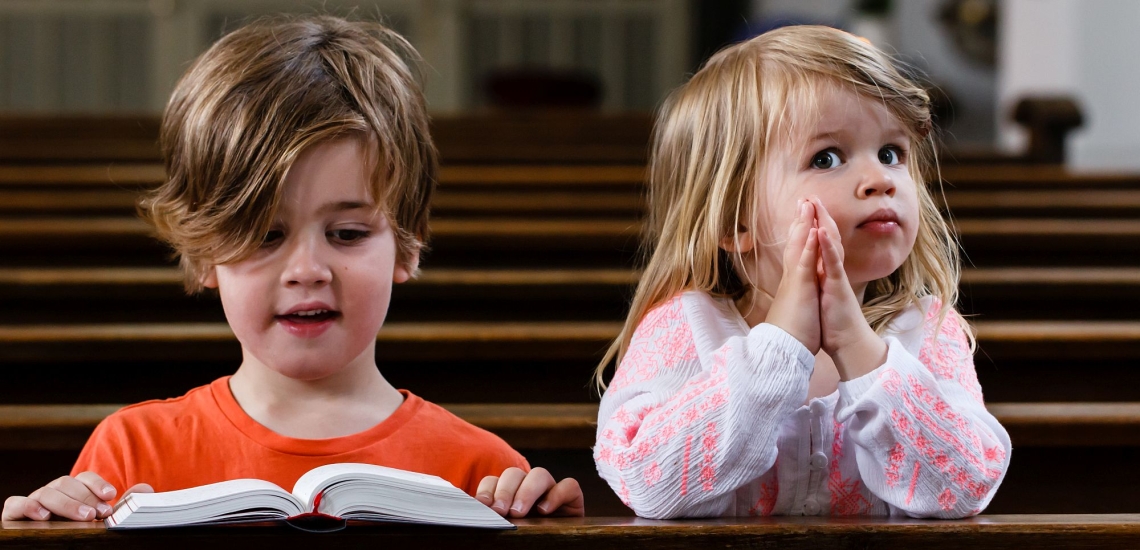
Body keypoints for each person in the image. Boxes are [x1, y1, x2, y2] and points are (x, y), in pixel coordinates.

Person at [3, 15, 583, 522]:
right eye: (265, 235)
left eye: (348, 234)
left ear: (407, 244)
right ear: (206, 252)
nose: (307, 269)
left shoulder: (484, 475)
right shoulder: (129, 454)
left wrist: (551, 532)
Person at [591, 25, 1010, 519]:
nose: (880, 179)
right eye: (827, 158)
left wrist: (860, 349)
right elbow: (645, 483)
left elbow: (963, 489)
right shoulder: (685, 327)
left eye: (891, 153)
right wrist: (779, 345)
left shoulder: (925, 330)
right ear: (734, 219)